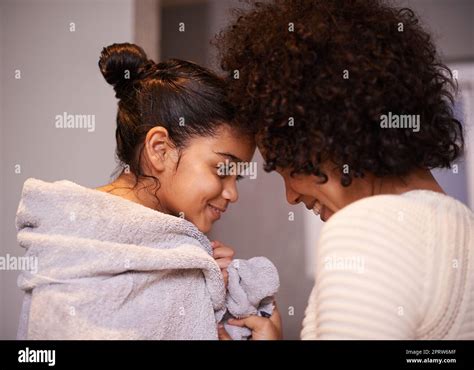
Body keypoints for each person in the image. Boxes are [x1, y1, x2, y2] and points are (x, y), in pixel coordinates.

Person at [216, 0, 474, 340]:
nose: (291, 196)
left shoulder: (366, 228)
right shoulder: (461, 225)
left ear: (325, 135)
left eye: (286, 167)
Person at [15, 43, 254, 339]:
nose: (233, 194)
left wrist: (210, 286)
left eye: (238, 178)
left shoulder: (185, 257)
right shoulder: (77, 251)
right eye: (223, 170)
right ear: (160, 149)